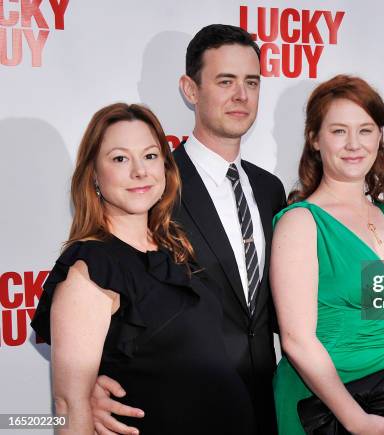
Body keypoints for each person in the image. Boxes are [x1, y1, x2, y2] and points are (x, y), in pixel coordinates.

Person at [88, 25, 286, 435]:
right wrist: (83, 379)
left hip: (266, 404)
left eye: (251, 82)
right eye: (225, 81)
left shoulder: (270, 189)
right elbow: (101, 280)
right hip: (181, 408)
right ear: (190, 89)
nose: (241, 96)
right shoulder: (152, 187)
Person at [30, 103, 256, 434]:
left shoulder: (174, 247)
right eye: (120, 159)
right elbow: (69, 404)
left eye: (150, 156)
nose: (139, 171)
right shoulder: (90, 272)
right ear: (93, 173)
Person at [271, 75, 384, 435]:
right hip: (331, 407)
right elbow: (296, 340)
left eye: (365, 129)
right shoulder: (300, 222)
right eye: (339, 131)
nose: (354, 144)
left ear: (380, 136)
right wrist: (354, 418)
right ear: (314, 139)